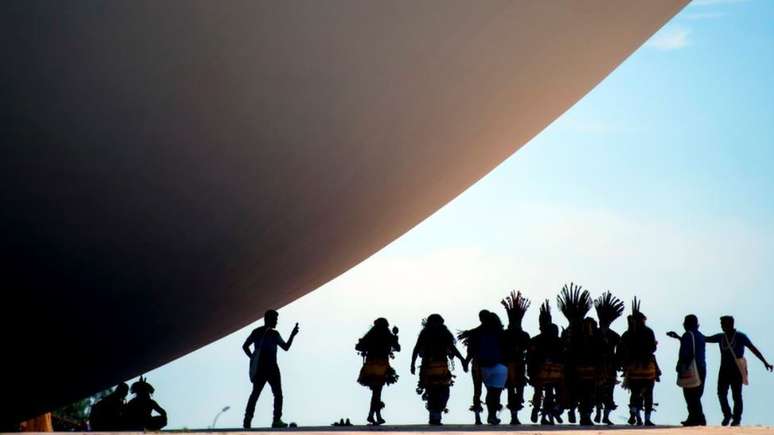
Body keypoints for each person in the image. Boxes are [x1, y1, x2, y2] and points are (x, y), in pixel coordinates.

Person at [704, 316, 773, 426]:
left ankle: (737, 419)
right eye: (721, 324)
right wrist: (684, 336)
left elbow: (753, 349)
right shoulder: (721, 337)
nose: (721, 326)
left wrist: (765, 362)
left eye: (723, 323)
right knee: (721, 393)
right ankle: (727, 414)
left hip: (736, 371)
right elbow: (705, 339)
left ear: (730, 324)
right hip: (724, 370)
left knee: (736, 395)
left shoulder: (740, 336)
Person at [242, 309, 299, 429]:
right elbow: (286, 347)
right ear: (269, 319)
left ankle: (247, 419)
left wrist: (252, 357)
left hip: (260, 368)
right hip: (272, 367)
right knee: (278, 394)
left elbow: (245, 346)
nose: (277, 322)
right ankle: (276, 420)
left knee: (255, 394)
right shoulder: (274, 334)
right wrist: (292, 335)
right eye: (275, 319)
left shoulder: (256, 332)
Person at [411, 313, 468, 425]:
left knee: (432, 392)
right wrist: (462, 360)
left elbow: (417, 348)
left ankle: (434, 416)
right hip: (440, 367)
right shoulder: (443, 333)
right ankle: (436, 415)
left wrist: (412, 364)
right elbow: (452, 348)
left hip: (429, 367)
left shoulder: (426, 333)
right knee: (442, 391)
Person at [556, 283, 596, 426]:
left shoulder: (568, 332)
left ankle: (572, 410)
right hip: (585, 368)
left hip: (571, 368)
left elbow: (562, 349)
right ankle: (584, 415)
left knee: (573, 391)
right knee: (586, 393)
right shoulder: (587, 332)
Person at [617, 298, 658, 426]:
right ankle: (647, 419)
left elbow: (621, 351)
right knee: (648, 393)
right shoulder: (648, 331)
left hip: (633, 368)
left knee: (635, 393)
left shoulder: (627, 334)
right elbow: (653, 348)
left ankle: (635, 414)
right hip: (648, 368)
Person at [355, 318, 401, 425]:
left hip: (371, 366)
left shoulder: (372, 333)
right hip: (381, 366)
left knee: (376, 392)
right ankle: (374, 415)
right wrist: (395, 340)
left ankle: (373, 415)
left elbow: (359, 346)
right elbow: (398, 348)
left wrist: (366, 347)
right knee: (377, 391)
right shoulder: (387, 334)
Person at [527, 300, 564, 425]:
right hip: (554, 372)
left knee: (540, 392)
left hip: (541, 372)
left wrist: (531, 372)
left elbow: (530, 357)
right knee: (550, 392)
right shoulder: (558, 341)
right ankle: (546, 412)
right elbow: (563, 356)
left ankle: (539, 410)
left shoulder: (536, 340)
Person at [666, 314, 706, 426]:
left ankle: (698, 418)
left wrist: (681, 366)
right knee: (696, 394)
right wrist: (679, 337)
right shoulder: (700, 336)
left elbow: (687, 352)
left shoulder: (687, 335)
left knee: (689, 394)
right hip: (701, 367)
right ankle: (694, 417)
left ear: (687, 324)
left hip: (691, 368)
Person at [593, 292, 625, 425]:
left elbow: (621, 351)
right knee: (602, 391)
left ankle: (602, 414)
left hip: (605, 366)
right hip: (602, 366)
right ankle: (602, 414)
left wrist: (618, 362)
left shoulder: (603, 335)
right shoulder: (611, 335)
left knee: (602, 391)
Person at [500, 291, 531, 425]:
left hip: (512, 364)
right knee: (516, 387)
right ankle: (514, 414)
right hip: (515, 364)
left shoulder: (506, 334)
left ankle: (514, 414)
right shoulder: (523, 335)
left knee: (513, 388)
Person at [458, 309, 491, 424]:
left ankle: (478, 416)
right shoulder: (494, 332)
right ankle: (490, 414)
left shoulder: (475, 332)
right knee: (491, 390)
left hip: (477, 365)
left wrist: (466, 362)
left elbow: (470, 351)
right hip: (489, 365)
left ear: (480, 318)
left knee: (478, 390)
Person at [476, 312, 508, 425]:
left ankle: (491, 414)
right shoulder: (501, 333)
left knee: (490, 392)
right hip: (499, 367)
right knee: (496, 393)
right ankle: (492, 416)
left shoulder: (479, 333)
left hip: (484, 366)